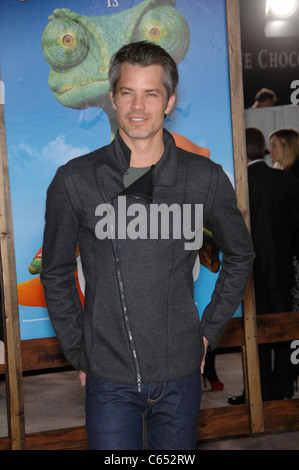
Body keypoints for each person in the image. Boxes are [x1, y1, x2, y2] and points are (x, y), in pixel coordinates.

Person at [40, 41, 254, 450]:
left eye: (151, 93)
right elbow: (55, 272)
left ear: (170, 101)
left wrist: (207, 334)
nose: (138, 106)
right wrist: (80, 350)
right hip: (108, 381)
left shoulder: (204, 178)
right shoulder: (76, 180)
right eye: (127, 92)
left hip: (181, 376)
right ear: (114, 99)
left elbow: (241, 255)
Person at [229, 127, 299, 404]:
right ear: (262, 149)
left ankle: (257, 394)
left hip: (249, 273)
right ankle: (282, 390)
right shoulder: (287, 180)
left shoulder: (239, 182)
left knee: (252, 332)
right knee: (284, 332)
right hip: (283, 269)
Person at [269, 128, 299, 310]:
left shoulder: (291, 178)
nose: (270, 150)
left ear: (288, 147)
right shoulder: (284, 177)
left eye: (274, 145)